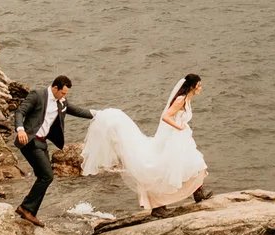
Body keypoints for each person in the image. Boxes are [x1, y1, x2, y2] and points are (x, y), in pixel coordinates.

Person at [80, 73, 209, 211]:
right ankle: (159, 206)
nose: (200, 88)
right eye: (199, 85)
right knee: (168, 169)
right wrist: (179, 127)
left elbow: (180, 118)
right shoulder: (180, 100)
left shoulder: (188, 100)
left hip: (182, 138)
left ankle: (198, 193)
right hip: (174, 138)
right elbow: (166, 117)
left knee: (193, 165)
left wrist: (185, 129)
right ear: (192, 86)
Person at [12, 73, 91, 223]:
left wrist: (99, 115)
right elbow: (20, 111)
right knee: (47, 175)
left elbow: (78, 111)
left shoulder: (61, 102)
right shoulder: (38, 95)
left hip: (42, 143)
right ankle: (26, 208)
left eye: (66, 94)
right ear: (55, 87)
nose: (64, 96)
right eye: (62, 92)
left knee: (44, 176)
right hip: (30, 140)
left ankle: (29, 211)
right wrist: (20, 129)